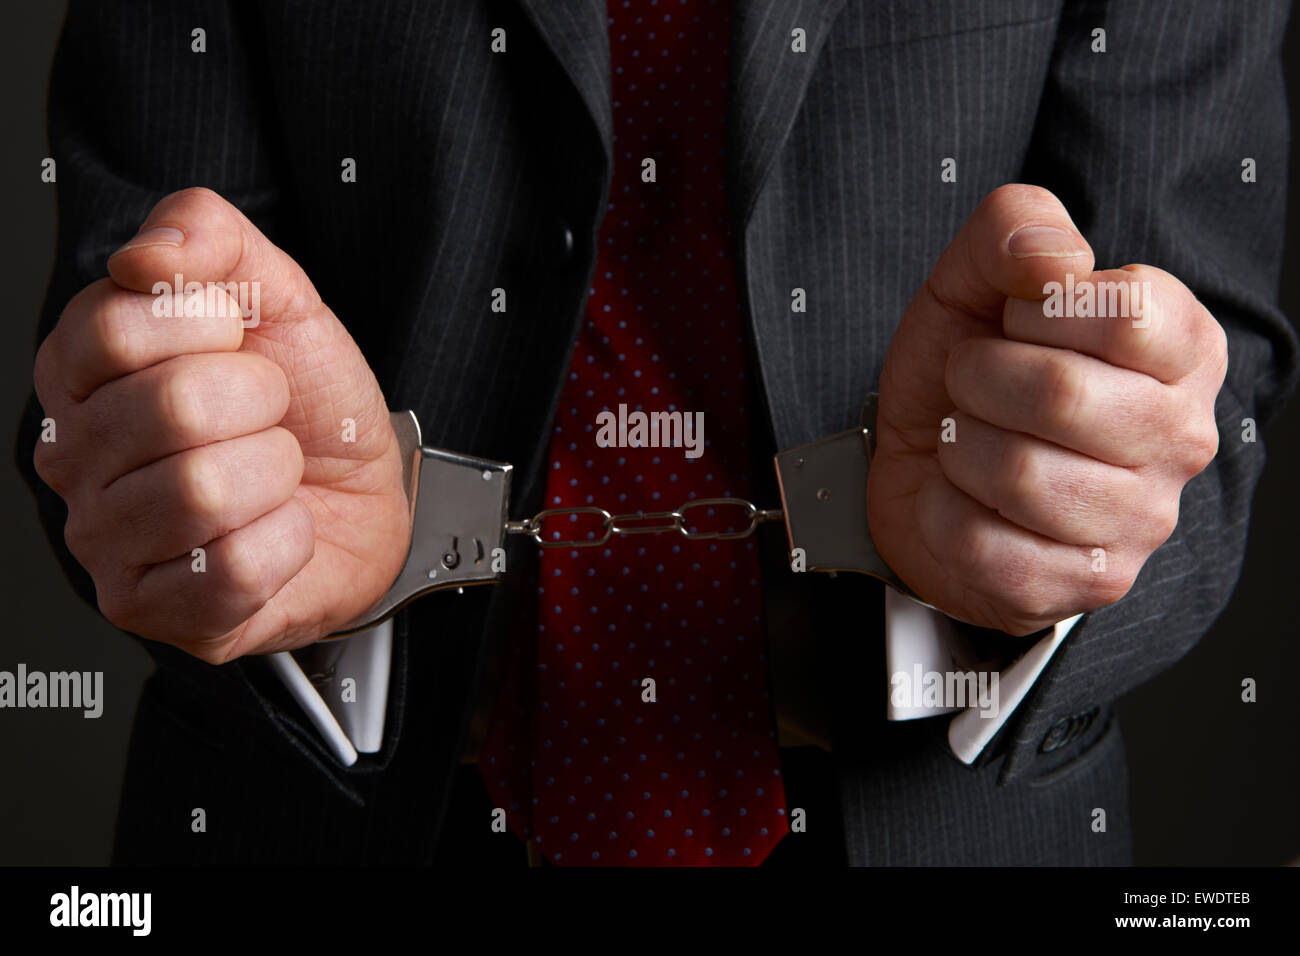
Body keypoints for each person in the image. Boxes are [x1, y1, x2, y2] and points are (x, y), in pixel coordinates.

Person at [17, 0, 1296, 866]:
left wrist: (1041, 518)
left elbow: (1206, 387)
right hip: (326, 814)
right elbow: (102, 387)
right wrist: (218, 493)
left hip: (947, 817)